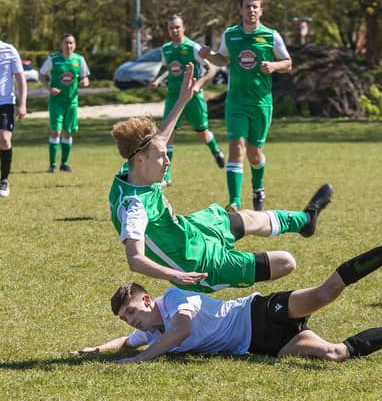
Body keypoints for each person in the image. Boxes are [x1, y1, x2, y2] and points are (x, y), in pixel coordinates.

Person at [110, 63, 333, 293]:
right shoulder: (134, 207)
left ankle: (305, 220)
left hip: (194, 229)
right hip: (202, 265)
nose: (167, 161)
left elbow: (159, 139)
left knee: (246, 216)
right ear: (140, 160)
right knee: (286, 262)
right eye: (162, 157)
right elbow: (135, 259)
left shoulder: (131, 167)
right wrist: (177, 275)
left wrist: (184, 98)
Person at [72, 230, 382, 363]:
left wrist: (140, 360)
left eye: (131, 311)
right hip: (263, 344)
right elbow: (126, 340)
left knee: (328, 291)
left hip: (260, 314)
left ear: (147, 300)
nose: (131, 320)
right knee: (334, 353)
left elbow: (181, 332)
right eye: (126, 318)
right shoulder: (151, 333)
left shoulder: (173, 300)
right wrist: (98, 349)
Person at [199, 0, 292, 212]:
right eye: (247, 6)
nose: (251, 10)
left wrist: (274, 66)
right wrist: (208, 55)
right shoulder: (230, 35)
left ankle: (258, 187)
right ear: (240, 10)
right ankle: (234, 202)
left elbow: (288, 62)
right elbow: (223, 59)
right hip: (236, 102)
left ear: (261, 11)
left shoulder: (271, 36)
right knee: (236, 147)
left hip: (261, 102)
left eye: (255, 6)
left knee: (254, 152)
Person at [147, 14, 224, 186]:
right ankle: (166, 176)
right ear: (168, 30)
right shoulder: (166, 49)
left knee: (202, 133)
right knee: (166, 135)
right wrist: (156, 81)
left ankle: (216, 151)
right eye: (171, 28)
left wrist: (198, 84)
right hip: (173, 96)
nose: (174, 30)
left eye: (177, 27)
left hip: (193, 97)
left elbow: (211, 70)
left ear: (184, 28)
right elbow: (167, 68)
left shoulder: (192, 47)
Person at [39, 33, 90, 173]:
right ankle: (52, 164)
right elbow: (41, 74)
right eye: (66, 43)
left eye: (71, 43)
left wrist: (84, 81)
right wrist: (49, 88)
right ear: (61, 45)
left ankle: (64, 164)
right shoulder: (53, 59)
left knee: (68, 133)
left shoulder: (79, 60)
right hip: (56, 102)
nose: (69, 46)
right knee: (56, 131)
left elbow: (85, 77)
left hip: (72, 102)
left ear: (75, 45)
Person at [0, 39, 27, 197]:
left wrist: (22, 104)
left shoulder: (9, 50)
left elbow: (21, 80)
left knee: (4, 140)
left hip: (5, 103)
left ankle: (4, 180)